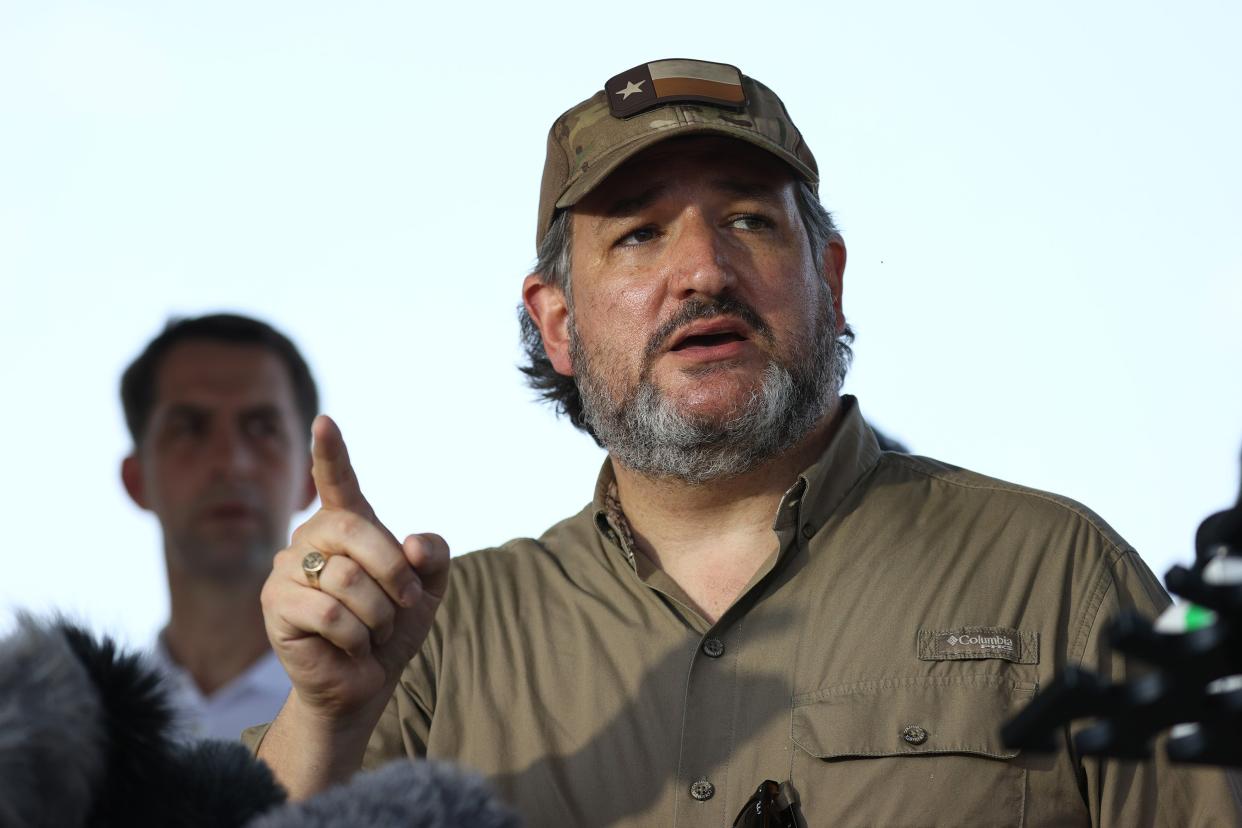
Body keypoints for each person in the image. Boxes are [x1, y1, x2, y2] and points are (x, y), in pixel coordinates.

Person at [247, 60, 1241, 825]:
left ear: (832, 278)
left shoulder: (1056, 576)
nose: (705, 271)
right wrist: (327, 717)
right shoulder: (443, 641)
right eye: (638, 234)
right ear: (556, 322)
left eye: (750, 222)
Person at [120, 313, 318, 741]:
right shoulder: (81, 736)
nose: (231, 463)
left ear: (309, 479)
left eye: (263, 428)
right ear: (136, 480)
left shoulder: (387, 717)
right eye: (190, 427)